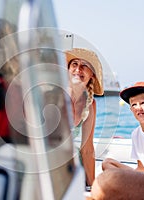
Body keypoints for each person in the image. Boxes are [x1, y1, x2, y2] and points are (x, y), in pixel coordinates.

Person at [65, 48, 104, 188]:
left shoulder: (90, 104)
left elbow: (87, 149)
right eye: (74, 64)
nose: (78, 69)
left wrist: (93, 186)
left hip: (77, 173)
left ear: (91, 75)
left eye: (85, 66)